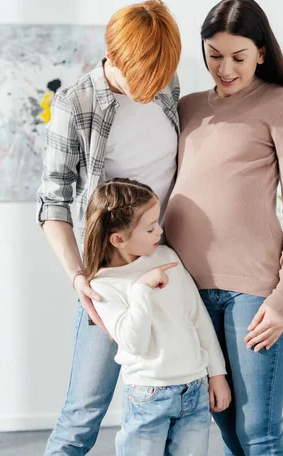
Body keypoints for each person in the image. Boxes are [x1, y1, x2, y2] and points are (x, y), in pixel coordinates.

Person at [165, 0, 283, 456]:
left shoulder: (282, 104)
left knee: (259, 435)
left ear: (262, 53)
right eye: (214, 55)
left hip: (255, 292)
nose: (224, 68)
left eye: (238, 57)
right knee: (227, 431)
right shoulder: (187, 107)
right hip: (188, 291)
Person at [37, 0, 181, 455]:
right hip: (113, 273)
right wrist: (79, 275)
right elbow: (52, 200)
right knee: (85, 411)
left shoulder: (165, 84)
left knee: (179, 395)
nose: (152, 88)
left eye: (160, 78)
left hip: (170, 257)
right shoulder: (76, 102)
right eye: (144, 78)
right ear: (114, 57)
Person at [85, 177, 231, 456]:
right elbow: (133, 343)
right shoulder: (103, 285)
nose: (160, 231)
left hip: (194, 389)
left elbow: (198, 318)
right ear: (118, 239)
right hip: (148, 395)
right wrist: (141, 289)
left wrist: (217, 374)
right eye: (151, 227)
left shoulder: (166, 256)